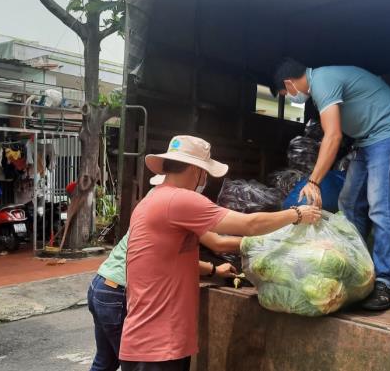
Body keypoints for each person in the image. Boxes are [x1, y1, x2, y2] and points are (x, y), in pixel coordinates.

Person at [119, 135, 321, 371]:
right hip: (158, 348)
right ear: (196, 170)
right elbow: (249, 224)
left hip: (148, 343)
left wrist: (226, 263)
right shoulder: (179, 200)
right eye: (205, 172)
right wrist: (296, 215)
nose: (205, 179)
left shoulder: (153, 200)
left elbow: (204, 248)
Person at [273, 58, 390, 311]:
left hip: (388, 134)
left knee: (380, 207)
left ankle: (384, 283)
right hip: (366, 140)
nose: (291, 97)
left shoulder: (323, 81)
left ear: (289, 84)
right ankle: (357, 268)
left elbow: (334, 135)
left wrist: (314, 181)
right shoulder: (320, 86)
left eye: (286, 94)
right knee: (348, 202)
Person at [87, 176, 240, 371]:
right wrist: (263, 242)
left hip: (101, 286)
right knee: (140, 365)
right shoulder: (176, 206)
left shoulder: (152, 199)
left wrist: (214, 270)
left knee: (105, 362)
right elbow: (218, 243)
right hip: (120, 293)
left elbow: (175, 258)